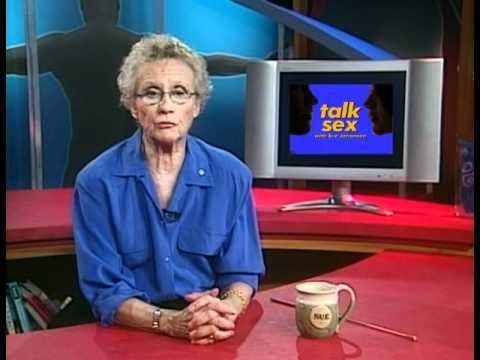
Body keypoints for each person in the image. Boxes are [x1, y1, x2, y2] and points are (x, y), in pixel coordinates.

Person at [72, 33, 265, 345]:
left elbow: (241, 273)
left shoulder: (231, 175)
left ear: (197, 105)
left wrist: (225, 310)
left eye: (179, 93)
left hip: (207, 326)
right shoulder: (96, 182)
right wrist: (168, 322)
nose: (166, 106)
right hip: (130, 329)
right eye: (151, 93)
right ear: (133, 106)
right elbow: (105, 291)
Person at [6, 0, 252, 186]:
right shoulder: (137, 46)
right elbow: (210, 63)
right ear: (117, 9)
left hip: (83, 158)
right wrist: (258, 66)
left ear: (83, 9)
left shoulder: (62, 46)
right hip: (134, 162)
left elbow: (12, 59)